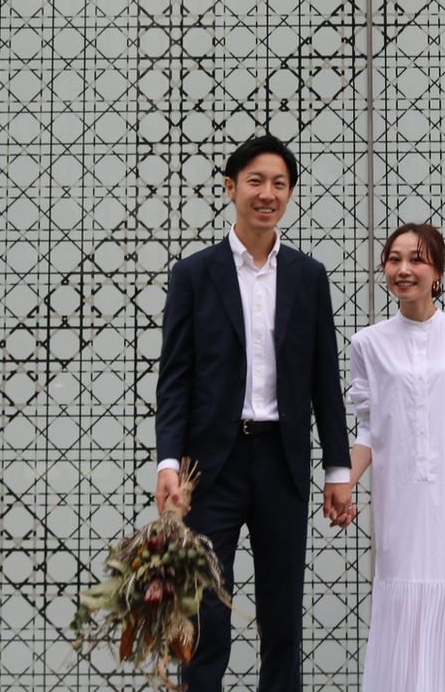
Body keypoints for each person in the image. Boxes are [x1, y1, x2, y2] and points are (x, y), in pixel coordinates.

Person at [154, 134, 352, 692]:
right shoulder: (195, 274)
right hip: (208, 469)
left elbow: (325, 380)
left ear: (289, 194)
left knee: (282, 616)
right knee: (205, 614)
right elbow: (175, 379)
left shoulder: (308, 276)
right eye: (256, 181)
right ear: (231, 187)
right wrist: (168, 462)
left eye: (279, 184)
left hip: (281, 463)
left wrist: (338, 470)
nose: (268, 193)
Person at [347, 223, 445, 692]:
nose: (404, 269)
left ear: (437, 271)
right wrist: (343, 484)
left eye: (416, 259)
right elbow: (369, 428)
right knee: (403, 609)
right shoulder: (367, 345)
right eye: (394, 259)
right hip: (401, 506)